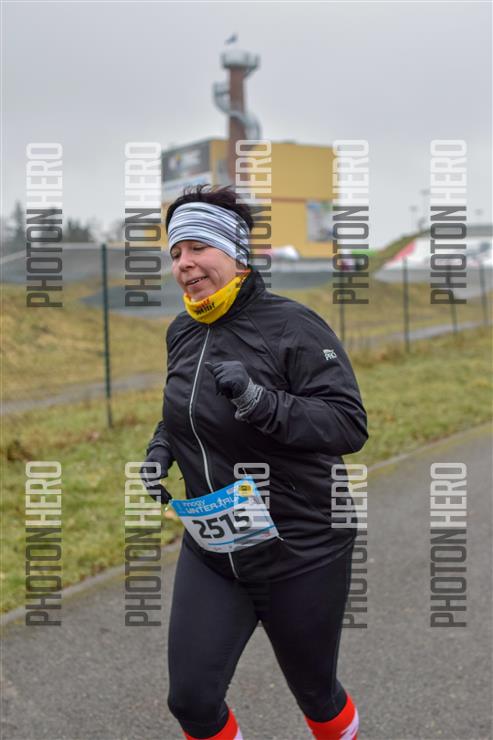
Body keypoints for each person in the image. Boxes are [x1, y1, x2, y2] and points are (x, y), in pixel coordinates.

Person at [141, 185, 368, 740]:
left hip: (301, 549)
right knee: (192, 700)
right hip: (215, 549)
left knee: (317, 697)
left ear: (236, 252)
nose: (183, 263)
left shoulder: (294, 326)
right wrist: (161, 448)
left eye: (198, 247)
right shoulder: (183, 331)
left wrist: (260, 402)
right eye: (175, 252)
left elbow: (347, 423)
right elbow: (184, 408)